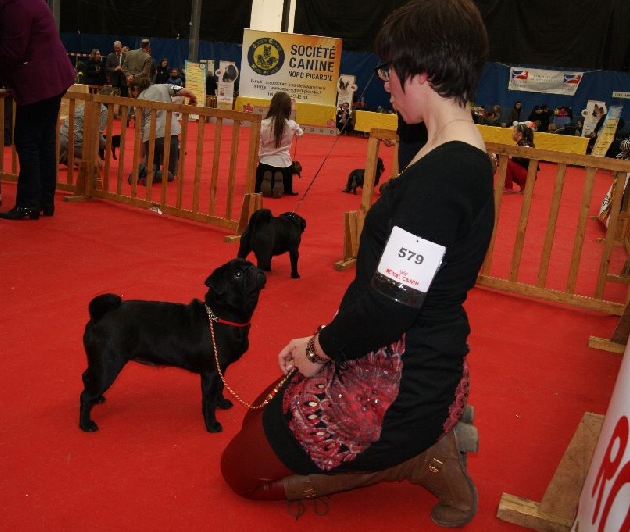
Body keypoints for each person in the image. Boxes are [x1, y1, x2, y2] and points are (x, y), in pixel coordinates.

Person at [221, 0, 493, 527]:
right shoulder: (442, 145)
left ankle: (417, 459)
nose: (382, 81)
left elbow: (392, 306)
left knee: (240, 470)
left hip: (396, 375)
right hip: (395, 350)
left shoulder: (445, 174)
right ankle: (430, 434)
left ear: (425, 71)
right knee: (257, 415)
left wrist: (317, 347)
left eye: (389, 68)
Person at [0, 0, 76, 220]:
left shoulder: (14, 7)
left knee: (27, 141)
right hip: (54, 78)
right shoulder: (32, 2)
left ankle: (28, 203)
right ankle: (45, 201)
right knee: (44, 141)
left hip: (39, 82)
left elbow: (11, 52)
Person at [129, 75, 197, 184]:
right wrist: (193, 99)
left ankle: (147, 173)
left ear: (135, 89)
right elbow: (186, 92)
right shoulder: (163, 87)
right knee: (170, 173)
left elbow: (140, 128)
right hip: (169, 132)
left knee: (153, 166)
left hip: (150, 135)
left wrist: (141, 156)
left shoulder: (139, 101)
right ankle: (159, 175)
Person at [254, 92, 304, 197]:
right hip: (284, 163)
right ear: (288, 108)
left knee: (263, 169)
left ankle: (265, 180)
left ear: (272, 105)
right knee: (284, 167)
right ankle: (282, 182)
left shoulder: (263, 124)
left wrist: (258, 156)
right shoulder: (291, 125)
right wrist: (298, 131)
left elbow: (258, 142)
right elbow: (300, 134)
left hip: (265, 162)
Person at [504, 122, 536, 193]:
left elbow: (525, 159)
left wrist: (512, 157)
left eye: (514, 131)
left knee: (506, 161)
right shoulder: (525, 143)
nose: (513, 133)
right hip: (528, 174)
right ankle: (523, 187)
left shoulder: (525, 144)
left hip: (528, 174)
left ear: (519, 134)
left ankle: (508, 187)